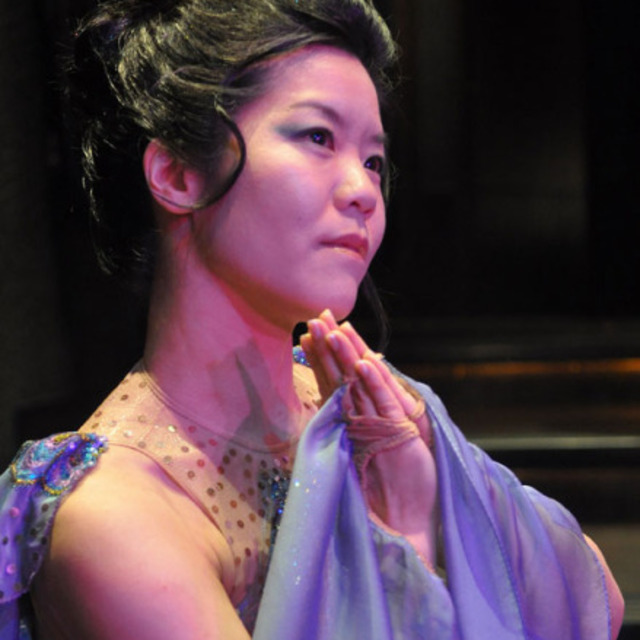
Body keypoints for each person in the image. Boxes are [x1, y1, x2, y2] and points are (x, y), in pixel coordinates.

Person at [0, 0, 624, 638]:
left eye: (374, 160)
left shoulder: (359, 400)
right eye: (318, 138)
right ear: (178, 174)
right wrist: (410, 536)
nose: (363, 190)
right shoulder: (118, 515)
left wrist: (439, 494)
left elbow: (593, 602)